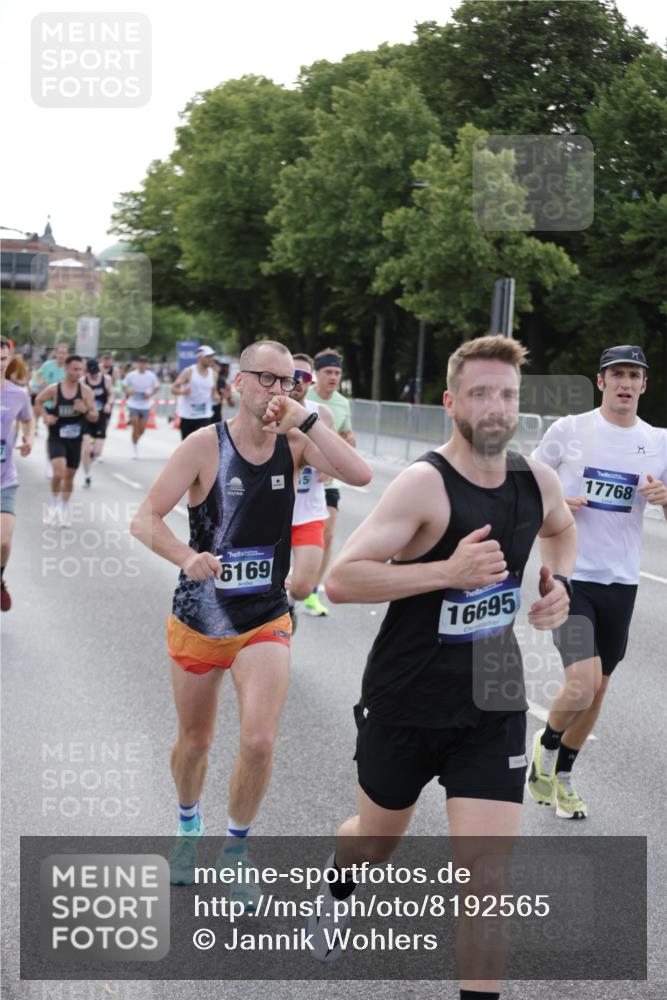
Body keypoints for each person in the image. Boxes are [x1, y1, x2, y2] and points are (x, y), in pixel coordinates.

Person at [305, 336, 575, 1000]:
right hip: (405, 701)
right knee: (373, 839)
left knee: (484, 880)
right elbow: (341, 581)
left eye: (507, 395)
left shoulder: (533, 480)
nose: (495, 407)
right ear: (451, 402)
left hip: (492, 701)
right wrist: (445, 572)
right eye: (480, 393)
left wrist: (556, 583)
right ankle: (339, 887)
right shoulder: (424, 484)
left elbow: (563, 528)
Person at [130, 340, 371, 894]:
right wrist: (187, 557)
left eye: (287, 382)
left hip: (264, 617)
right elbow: (145, 520)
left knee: (259, 741)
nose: (277, 390)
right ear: (238, 383)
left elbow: (358, 476)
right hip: (200, 617)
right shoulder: (202, 446)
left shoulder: (296, 444)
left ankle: (236, 849)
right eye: (266, 379)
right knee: (195, 741)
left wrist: (306, 420)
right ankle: (188, 823)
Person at [527, 345, 667, 819]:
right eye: (617, 374)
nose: (626, 383)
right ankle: (545, 747)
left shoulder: (659, 441)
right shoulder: (570, 430)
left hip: (622, 581)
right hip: (572, 575)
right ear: (601, 381)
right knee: (581, 684)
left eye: (634, 375)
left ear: (644, 385)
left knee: (599, 688)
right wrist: (561, 500)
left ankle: (564, 775)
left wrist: (665, 498)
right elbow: (527, 484)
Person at [305, 348, 356, 616]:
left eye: (337, 372)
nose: (334, 377)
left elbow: (345, 434)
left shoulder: (342, 403)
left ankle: (312, 592)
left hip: (329, 481)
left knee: (327, 534)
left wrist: (348, 440)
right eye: (329, 372)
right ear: (317, 374)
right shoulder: (305, 395)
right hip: (301, 478)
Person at [286, 354, 335, 631]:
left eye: (303, 377)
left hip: (309, 513)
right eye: (292, 376)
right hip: (273, 513)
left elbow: (334, 451)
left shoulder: (322, 414)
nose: (297, 382)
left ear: (311, 381)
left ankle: (291, 603)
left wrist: (329, 467)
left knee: (304, 587)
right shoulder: (272, 411)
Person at [34, 355, 99, 526]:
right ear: (66, 369)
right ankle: (54, 503)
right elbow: (38, 401)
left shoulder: (86, 392)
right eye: (74, 369)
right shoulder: (54, 389)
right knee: (59, 473)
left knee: (69, 477)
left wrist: (84, 410)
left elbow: (94, 417)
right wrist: (46, 416)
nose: (78, 373)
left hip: (75, 439)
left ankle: (64, 507)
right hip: (57, 437)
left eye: (80, 370)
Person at [0, 337, 34, 611]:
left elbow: (27, 418)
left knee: (2, 541)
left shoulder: (17, 394)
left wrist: (28, 437)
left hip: (4, 479)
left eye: (2, 359)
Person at [36, 342, 69, 476]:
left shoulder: (68, 368)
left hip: (64, 407)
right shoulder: (48, 365)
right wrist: (40, 381)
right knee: (52, 435)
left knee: (65, 436)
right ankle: (49, 462)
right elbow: (38, 375)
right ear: (56, 353)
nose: (61, 355)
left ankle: (60, 460)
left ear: (67, 354)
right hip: (49, 406)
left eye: (64, 353)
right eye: (59, 352)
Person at [81, 358, 115, 487]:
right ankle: (87, 475)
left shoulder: (106, 379)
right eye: (91, 373)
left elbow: (111, 394)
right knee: (85, 448)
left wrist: (108, 403)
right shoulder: (83, 382)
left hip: (101, 416)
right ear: (87, 372)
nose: (94, 375)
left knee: (97, 452)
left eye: (95, 373)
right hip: (86, 417)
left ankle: (91, 453)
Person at [172, 345, 216, 439]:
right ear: (199, 357)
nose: (210, 359)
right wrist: (183, 392)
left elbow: (214, 394)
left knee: (203, 445)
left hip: (205, 415)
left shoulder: (213, 374)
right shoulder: (189, 372)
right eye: (207, 357)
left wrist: (219, 397)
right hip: (188, 416)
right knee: (187, 448)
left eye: (211, 357)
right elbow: (173, 389)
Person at [122, 357, 160, 458]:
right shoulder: (132, 375)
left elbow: (157, 387)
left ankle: (135, 442)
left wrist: (150, 394)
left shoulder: (151, 375)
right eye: (141, 363)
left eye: (144, 363)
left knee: (142, 429)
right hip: (133, 404)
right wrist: (129, 391)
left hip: (145, 405)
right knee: (135, 425)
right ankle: (134, 448)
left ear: (147, 365)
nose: (142, 365)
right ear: (138, 364)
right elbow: (123, 386)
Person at [211, 357, 234, 424]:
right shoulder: (203, 381)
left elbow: (232, 404)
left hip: (217, 416)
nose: (212, 368)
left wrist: (228, 397)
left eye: (213, 366)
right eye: (210, 366)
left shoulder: (224, 383)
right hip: (203, 416)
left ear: (219, 368)